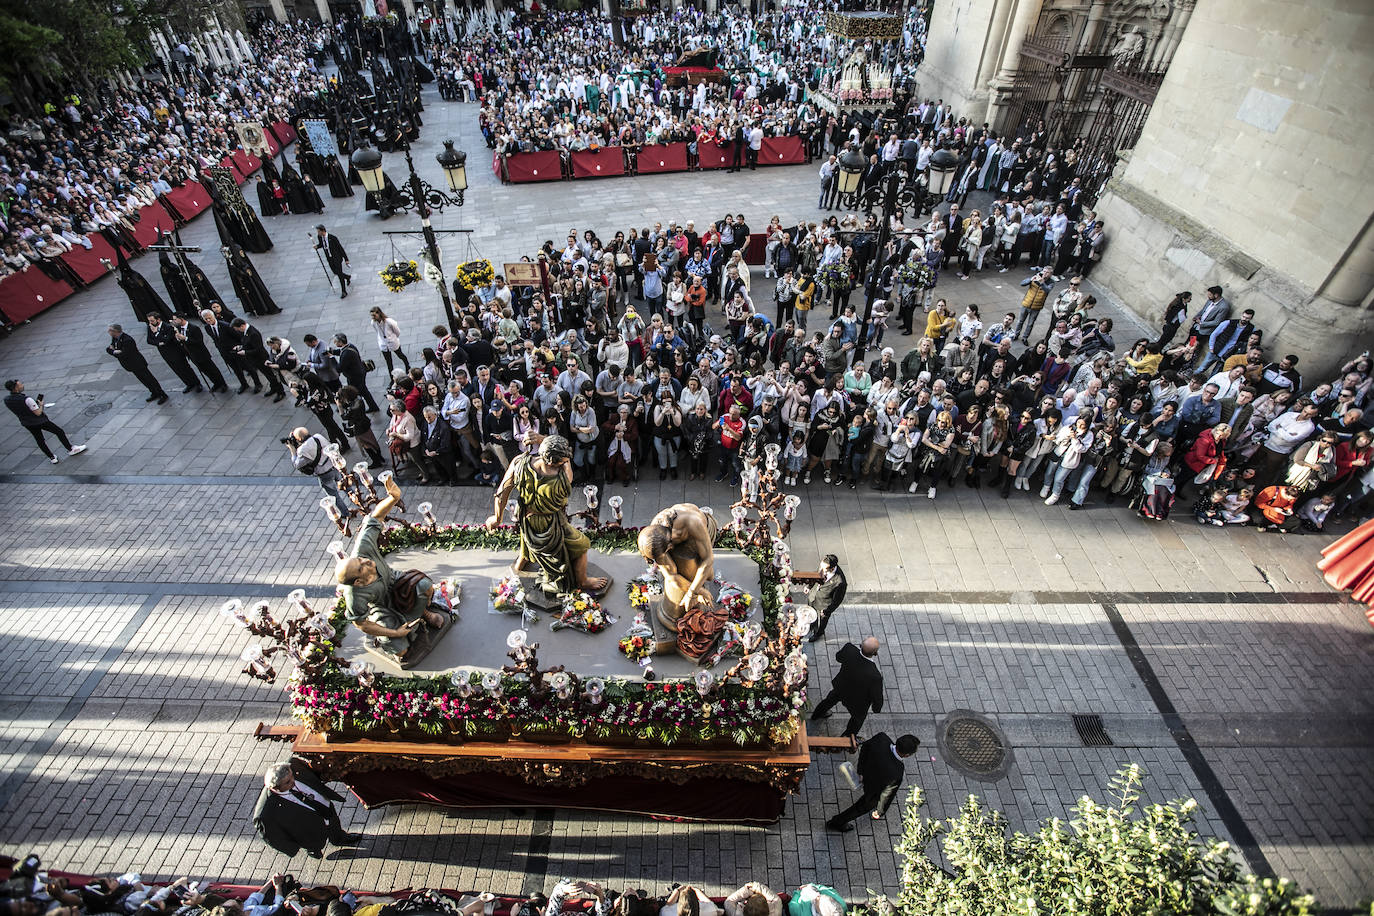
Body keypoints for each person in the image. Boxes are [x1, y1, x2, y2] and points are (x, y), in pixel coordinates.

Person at [336, 473, 451, 661]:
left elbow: (375, 517)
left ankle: (424, 613)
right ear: (357, 581)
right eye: (361, 566)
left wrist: (393, 498)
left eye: (361, 559)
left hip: (396, 581)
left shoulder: (362, 549)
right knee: (401, 652)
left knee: (424, 585)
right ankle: (396, 635)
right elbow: (362, 624)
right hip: (381, 608)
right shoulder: (354, 596)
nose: (365, 560)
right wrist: (395, 633)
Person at [485, 435, 610, 595]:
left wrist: (497, 518)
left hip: (526, 518)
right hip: (551, 523)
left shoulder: (519, 463)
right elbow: (568, 471)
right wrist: (543, 439)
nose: (565, 461)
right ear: (554, 463)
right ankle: (583, 580)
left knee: (528, 537)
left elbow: (502, 493)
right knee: (582, 545)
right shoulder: (561, 480)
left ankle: (520, 565)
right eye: (563, 460)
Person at [252, 761, 359, 858]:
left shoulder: (293, 765)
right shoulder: (266, 813)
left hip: (324, 807)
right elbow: (272, 837)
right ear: (275, 788)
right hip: (308, 828)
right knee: (314, 842)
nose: (293, 781)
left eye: (292, 776)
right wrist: (293, 848)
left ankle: (339, 838)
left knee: (333, 821)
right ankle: (314, 850)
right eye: (288, 782)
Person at [826, 732, 920, 833]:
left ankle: (837, 822)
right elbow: (886, 795)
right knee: (860, 808)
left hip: (865, 774)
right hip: (873, 791)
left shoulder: (881, 738)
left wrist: (860, 771)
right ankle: (837, 822)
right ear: (906, 755)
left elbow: (865, 748)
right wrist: (880, 811)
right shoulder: (897, 772)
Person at [810, 637, 884, 737]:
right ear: (875, 653)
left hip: (841, 688)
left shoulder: (849, 649)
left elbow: (838, 657)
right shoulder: (875, 676)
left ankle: (817, 714)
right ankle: (847, 737)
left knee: (829, 700)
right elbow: (876, 696)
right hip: (857, 702)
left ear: (860, 646)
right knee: (857, 720)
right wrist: (876, 709)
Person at [4, 379, 87, 464]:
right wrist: (41, 405)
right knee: (59, 431)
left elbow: (20, 409)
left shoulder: (6, 400)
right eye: (20, 384)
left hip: (27, 423)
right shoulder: (27, 399)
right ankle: (71, 449)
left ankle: (52, 458)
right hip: (40, 421)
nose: (22, 385)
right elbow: (38, 413)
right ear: (16, 388)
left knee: (40, 440)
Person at [286, 426, 351, 517]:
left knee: (333, 495)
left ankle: (346, 513)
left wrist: (292, 450)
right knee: (346, 485)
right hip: (335, 466)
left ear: (299, 439)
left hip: (324, 474)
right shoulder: (318, 436)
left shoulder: (302, 450)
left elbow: (297, 464)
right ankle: (357, 500)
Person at [105, 323, 168, 403]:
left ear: (115, 331)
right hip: (131, 365)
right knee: (143, 380)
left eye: (110, 330)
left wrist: (115, 351)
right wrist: (115, 351)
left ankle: (162, 394)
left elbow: (124, 354)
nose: (108, 332)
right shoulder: (115, 338)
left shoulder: (127, 340)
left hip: (138, 364)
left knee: (150, 379)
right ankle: (154, 392)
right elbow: (108, 349)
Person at [146, 312, 204, 393]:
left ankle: (197, 383)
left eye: (152, 321)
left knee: (185, 368)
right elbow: (149, 340)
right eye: (149, 321)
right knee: (176, 369)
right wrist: (159, 343)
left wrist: (156, 333)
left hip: (176, 352)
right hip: (165, 353)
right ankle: (189, 384)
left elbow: (167, 340)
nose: (150, 323)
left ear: (158, 319)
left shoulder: (168, 327)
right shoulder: (150, 327)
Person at [806, 553, 848, 642]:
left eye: (824, 569)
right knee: (810, 612)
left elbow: (837, 600)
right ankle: (811, 625)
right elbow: (816, 575)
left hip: (824, 606)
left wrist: (827, 611)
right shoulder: (823, 565)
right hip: (813, 596)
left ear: (832, 568)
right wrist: (809, 586)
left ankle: (818, 633)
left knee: (821, 621)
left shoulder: (840, 582)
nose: (822, 569)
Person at [314, 224, 352, 298]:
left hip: (337, 258)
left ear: (322, 231)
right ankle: (347, 277)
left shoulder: (332, 238)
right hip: (329, 258)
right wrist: (317, 246)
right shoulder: (320, 237)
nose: (318, 233)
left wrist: (346, 259)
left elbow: (340, 248)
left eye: (318, 231)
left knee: (340, 275)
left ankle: (344, 291)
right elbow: (322, 244)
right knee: (335, 272)